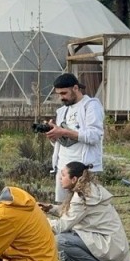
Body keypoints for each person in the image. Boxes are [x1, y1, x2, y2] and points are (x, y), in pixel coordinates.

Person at [45, 162, 130, 261]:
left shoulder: (82, 196)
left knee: (60, 241)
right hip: (113, 245)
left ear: (74, 179)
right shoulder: (89, 189)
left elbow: (61, 226)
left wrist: (41, 222)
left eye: (63, 175)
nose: (60, 178)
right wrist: (50, 208)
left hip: (109, 246)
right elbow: (74, 213)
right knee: (68, 236)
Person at [46, 73, 104, 203]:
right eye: (59, 94)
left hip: (83, 169)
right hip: (63, 167)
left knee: (85, 207)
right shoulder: (62, 111)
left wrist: (64, 131)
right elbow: (61, 142)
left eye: (64, 93)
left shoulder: (90, 106)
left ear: (76, 88)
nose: (62, 97)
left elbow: (95, 136)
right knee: (63, 207)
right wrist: (54, 135)